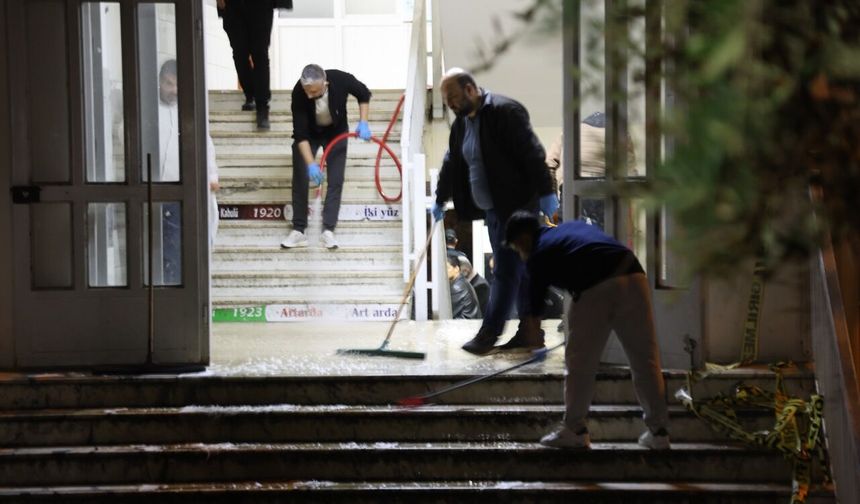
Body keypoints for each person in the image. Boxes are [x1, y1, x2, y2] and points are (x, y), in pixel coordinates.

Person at [503, 210, 670, 450]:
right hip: (633, 274)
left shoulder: (538, 251)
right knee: (645, 359)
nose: (520, 254)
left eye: (517, 249)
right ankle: (659, 433)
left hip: (596, 285)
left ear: (522, 239)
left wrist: (534, 338)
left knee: (580, 363)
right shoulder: (570, 230)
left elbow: (534, 302)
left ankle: (575, 430)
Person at [430, 67, 558, 355]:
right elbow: (452, 163)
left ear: (470, 90)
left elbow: (533, 153)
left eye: (452, 96)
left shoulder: (505, 112)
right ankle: (530, 333)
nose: (448, 103)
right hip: (493, 211)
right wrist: (440, 199)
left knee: (505, 271)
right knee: (522, 273)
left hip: (518, 207)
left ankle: (489, 334)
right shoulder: (461, 125)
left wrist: (548, 193)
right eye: (445, 98)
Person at [281, 64, 373, 250]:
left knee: (336, 178)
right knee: (300, 175)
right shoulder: (299, 93)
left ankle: (328, 230)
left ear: (325, 84)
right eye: (306, 90)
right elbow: (300, 134)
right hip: (310, 134)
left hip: (336, 132)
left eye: (313, 91)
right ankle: (299, 229)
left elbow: (364, 93)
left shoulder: (341, 79)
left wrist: (363, 122)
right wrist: (311, 165)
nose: (308, 95)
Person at [156, 60, 220, 284]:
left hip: (181, 190)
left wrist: (212, 176)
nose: (173, 90)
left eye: (177, 85)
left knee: (177, 247)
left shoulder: (190, 111)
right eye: (168, 84)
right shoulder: (147, 110)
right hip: (152, 191)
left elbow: (206, 144)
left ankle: (177, 288)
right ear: (160, 83)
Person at [216, 0, 293, 130]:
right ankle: (250, 93)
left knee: (260, 53)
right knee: (239, 52)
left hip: (261, 5)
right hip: (233, 5)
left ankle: (262, 106)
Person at [447, 252, 482, 320]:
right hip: (467, 325)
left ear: (456, 269)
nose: (445, 271)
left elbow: (448, 313)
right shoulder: (462, 282)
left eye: (448, 268)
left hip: (463, 326)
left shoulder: (457, 287)